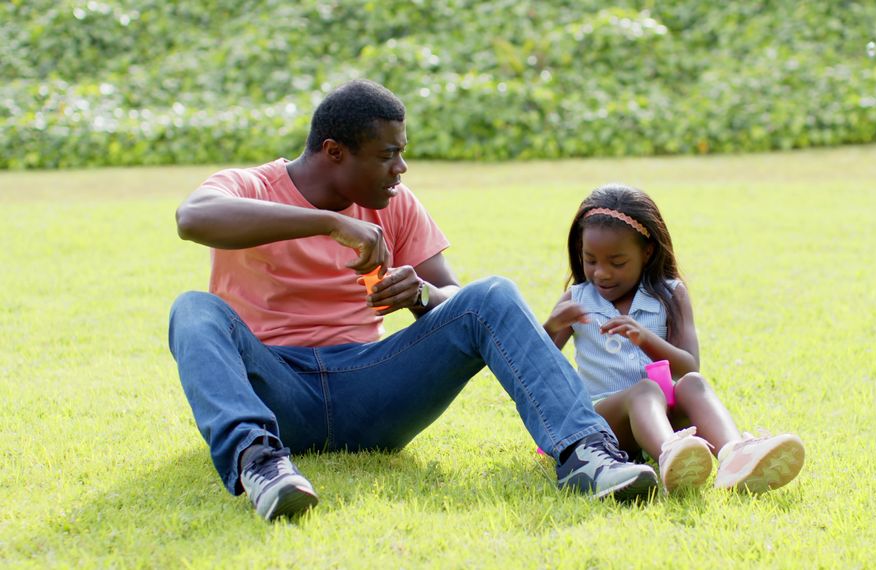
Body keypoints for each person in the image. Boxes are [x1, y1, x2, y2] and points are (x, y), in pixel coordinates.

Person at [168, 80, 658, 521]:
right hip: (277, 390)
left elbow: (460, 300)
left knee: (493, 293)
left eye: (401, 153)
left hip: (372, 388)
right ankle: (262, 464)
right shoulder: (251, 186)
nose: (400, 169)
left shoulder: (395, 201)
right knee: (193, 309)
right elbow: (193, 218)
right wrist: (330, 222)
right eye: (387, 155)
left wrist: (420, 294)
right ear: (335, 152)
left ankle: (587, 454)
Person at [542, 184, 805, 494]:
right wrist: (552, 324)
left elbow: (688, 365)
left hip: (662, 412)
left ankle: (735, 455)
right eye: (591, 260)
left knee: (693, 384)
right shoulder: (577, 299)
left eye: (617, 262)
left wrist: (646, 339)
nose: (601, 273)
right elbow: (535, 366)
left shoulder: (669, 294)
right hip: (604, 422)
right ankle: (670, 455)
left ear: (647, 252)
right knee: (644, 390)